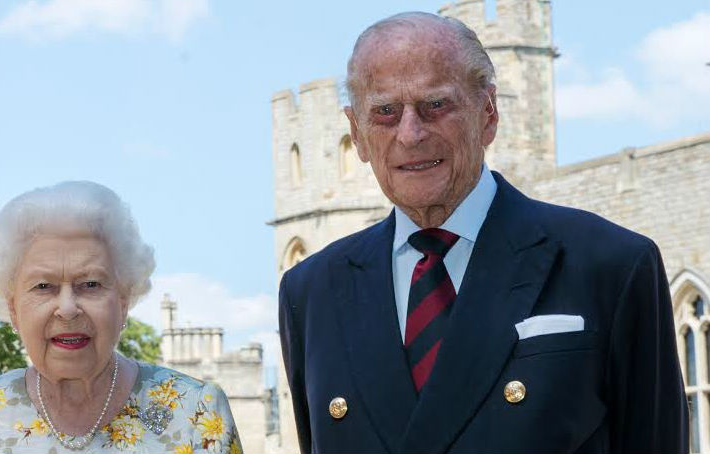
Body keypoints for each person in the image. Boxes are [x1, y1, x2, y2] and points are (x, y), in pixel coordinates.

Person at [278, 12, 687, 453]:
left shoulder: (611, 265)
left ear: (488, 114)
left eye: (435, 105)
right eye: (385, 112)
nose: (410, 134)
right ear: (356, 133)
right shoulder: (312, 292)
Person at [0, 181, 242, 454]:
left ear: (123, 300)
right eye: (44, 286)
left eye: (90, 284)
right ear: (13, 308)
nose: (67, 308)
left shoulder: (196, 411)